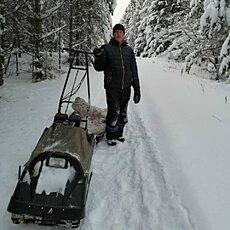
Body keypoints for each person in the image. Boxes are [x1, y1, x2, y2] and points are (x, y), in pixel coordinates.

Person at [93, 24, 141, 146]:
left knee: (123, 113)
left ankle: (119, 133)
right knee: (114, 112)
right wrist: (98, 57)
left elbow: (133, 70)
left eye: (121, 32)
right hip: (112, 87)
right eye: (117, 32)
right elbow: (99, 67)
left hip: (126, 87)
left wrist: (137, 89)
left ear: (123, 34)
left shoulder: (129, 50)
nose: (119, 34)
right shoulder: (107, 48)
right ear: (113, 34)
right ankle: (111, 135)